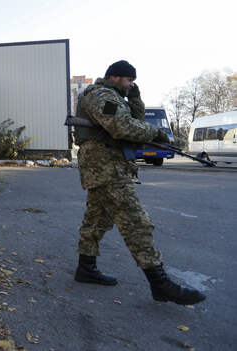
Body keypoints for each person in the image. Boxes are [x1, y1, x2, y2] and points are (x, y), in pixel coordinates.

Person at [72, 60, 205, 305]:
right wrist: (154, 133)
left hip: (104, 167)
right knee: (136, 222)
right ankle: (160, 283)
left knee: (97, 220)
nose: (132, 84)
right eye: (129, 80)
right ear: (115, 77)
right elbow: (122, 126)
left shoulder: (114, 97)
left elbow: (134, 118)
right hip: (106, 167)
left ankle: (86, 268)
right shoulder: (102, 96)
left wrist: (135, 98)